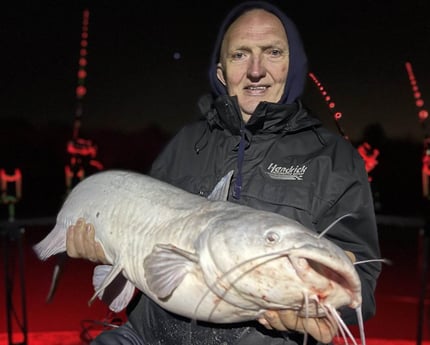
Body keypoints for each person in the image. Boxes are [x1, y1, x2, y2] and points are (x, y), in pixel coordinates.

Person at [66, 1, 382, 344]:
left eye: (273, 52)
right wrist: (110, 245)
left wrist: (314, 310)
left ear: (293, 66)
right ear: (221, 72)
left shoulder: (335, 160)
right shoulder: (185, 143)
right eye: (240, 55)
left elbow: (359, 282)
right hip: (145, 335)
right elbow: (141, 239)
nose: (256, 70)